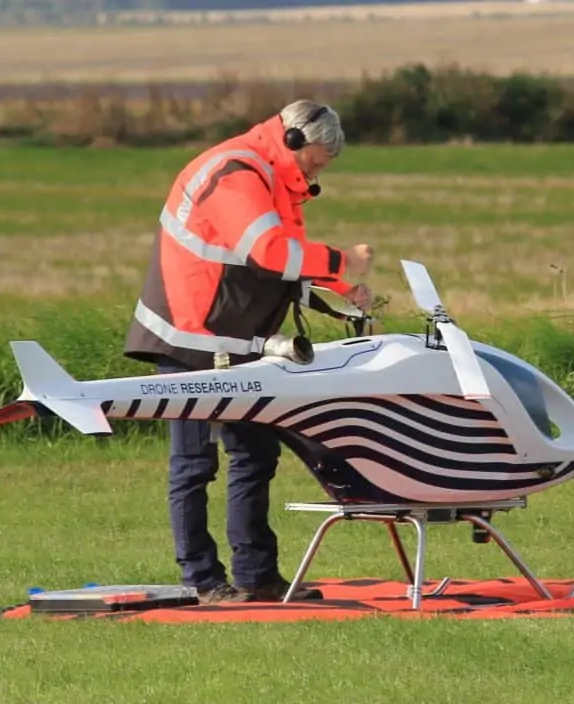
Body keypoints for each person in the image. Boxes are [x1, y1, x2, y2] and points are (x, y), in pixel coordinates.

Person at [123, 99, 374, 605]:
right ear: (295, 142)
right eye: (317, 160)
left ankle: (258, 576)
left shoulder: (273, 179)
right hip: (189, 338)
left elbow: (278, 263)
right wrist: (344, 259)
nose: (318, 171)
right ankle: (203, 580)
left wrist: (339, 287)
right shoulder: (236, 173)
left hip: (236, 340)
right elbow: (268, 252)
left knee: (255, 455)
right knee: (194, 464)